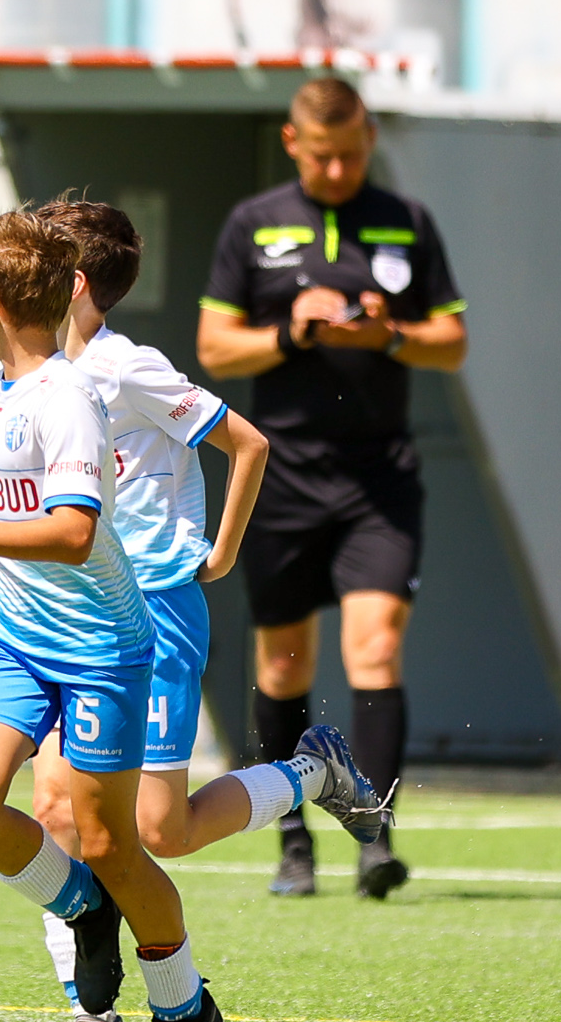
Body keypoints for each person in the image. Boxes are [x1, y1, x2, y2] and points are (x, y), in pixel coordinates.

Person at [0, 198, 380, 1022]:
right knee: (55, 807)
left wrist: (214, 553)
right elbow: (36, 507)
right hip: (58, 610)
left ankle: (310, 772)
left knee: (158, 831)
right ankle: (93, 1014)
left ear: (73, 283)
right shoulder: (17, 380)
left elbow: (246, 444)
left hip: (148, 612)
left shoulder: (121, 368)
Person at [0, 209, 222, 1022]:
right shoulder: (2, 390)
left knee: (116, 843)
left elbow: (78, 533)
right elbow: (33, 519)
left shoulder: (67, 397)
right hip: (15, 636)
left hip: (98, 649)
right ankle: (83, 910)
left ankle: (185, 1009)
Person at [196, 76, 469, 900]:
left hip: (379, 474)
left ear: (369, 138)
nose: (341, 168)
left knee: (376, 644)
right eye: (325, 156)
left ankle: (376, 834)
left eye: (353, 153)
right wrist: (292, 329)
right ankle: (292, 839)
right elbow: (215, 349)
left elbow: (451, 341)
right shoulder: (253, 223)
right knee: (283, 665)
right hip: (285, 477)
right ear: (293, 144)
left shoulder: (408, 220)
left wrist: (391, 333)